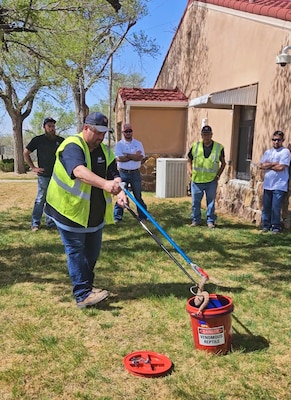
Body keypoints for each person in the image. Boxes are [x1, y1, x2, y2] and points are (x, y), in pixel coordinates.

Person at [44, 112, 127, 309]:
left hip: (93, 215)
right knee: (76, 252)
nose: (101, 137)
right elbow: (78, 171)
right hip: (68, 211)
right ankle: (82, 294)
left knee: (91, 254)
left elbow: (114, 173)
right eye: (98, 132)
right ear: (86, 128)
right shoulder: (72, 146)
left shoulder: (104, 151)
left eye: (104, 133)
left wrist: (119, 189)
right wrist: (106, 185)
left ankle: (88, 287)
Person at [24, 117, 65, 231]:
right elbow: (26, 152)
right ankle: (35, 223)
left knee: (54, 199)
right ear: (44, 127)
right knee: (41, 198)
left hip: (57, 175)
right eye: (49, 126)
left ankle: (51, 222)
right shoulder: (38, 140)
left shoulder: (61, 140)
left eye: (53, 126)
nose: (52, 129)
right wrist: (33, 167)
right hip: (44, 175)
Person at [187, 125, 226, 228]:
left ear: (211, 135)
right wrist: (190, 171)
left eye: (208, 134)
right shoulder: (195, 146)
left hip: (211, 180)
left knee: (211, 202)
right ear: (201, 135)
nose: (206, 137)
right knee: (195, 202)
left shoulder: (219, 147)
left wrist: (218, 175)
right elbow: (189, 160)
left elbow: (223, 163)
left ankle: (210, 221)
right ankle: (196, 220)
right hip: (197, 180)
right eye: (204, 135)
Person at [113, 122, 147, 222]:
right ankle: (117, 217)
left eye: (130, 131)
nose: (128, 133)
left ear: (132, 132)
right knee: (121, 195)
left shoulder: (138, 144)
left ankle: (143, 216)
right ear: (123, 132)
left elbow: (140, 157)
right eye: (126, 131)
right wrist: (133, 156)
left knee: (138, 196)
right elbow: (119, 158)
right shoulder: (119, 145)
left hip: (135, 173)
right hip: (122, 173)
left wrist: (127, 155)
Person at [259, 130, 290, 234]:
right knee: (266, 207)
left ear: (282, 140)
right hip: (268, 184)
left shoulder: (285, 152)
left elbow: (281, 167)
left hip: (279, 185)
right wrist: (273, 163)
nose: (276, 142)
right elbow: (261, 165)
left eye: (278, 140)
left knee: (275, 207)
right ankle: (265, 225)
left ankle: (276, 227)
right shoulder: (268, 152)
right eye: (274, 140)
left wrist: (268, 165)